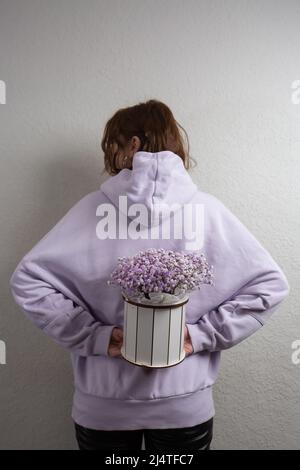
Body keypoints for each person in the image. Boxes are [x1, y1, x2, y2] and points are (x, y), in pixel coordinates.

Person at [9, 99, 289, 451]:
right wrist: (198, 336)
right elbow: (269, 286)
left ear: (134, 145)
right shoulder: (208, 211)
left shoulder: (89, 212)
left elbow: (28, 281)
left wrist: (97, 337)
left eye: (112, 145)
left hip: (102, 407)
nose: (108, 157)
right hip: (184, 406)